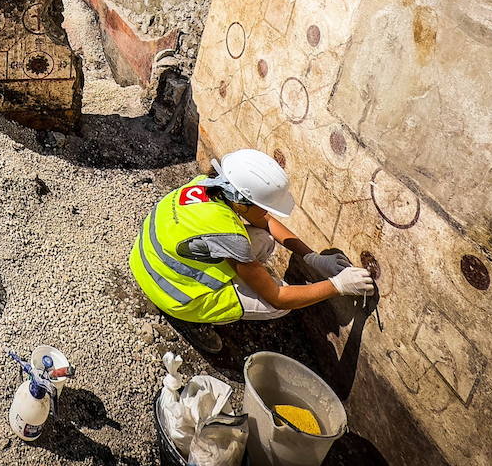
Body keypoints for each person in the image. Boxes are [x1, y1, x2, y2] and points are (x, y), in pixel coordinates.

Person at [130, 148, 375, 352]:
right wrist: (337, 286)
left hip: (147, 262)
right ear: (243, 202)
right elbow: (276, 298)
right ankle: (192, 320)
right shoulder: (228, 233)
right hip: (174, 293)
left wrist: (311, 257)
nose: (267, 212)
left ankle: (235, 284)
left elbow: (266, 222)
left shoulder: (207, 186)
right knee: (279, 305)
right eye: (262, 206)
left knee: (264, 240)